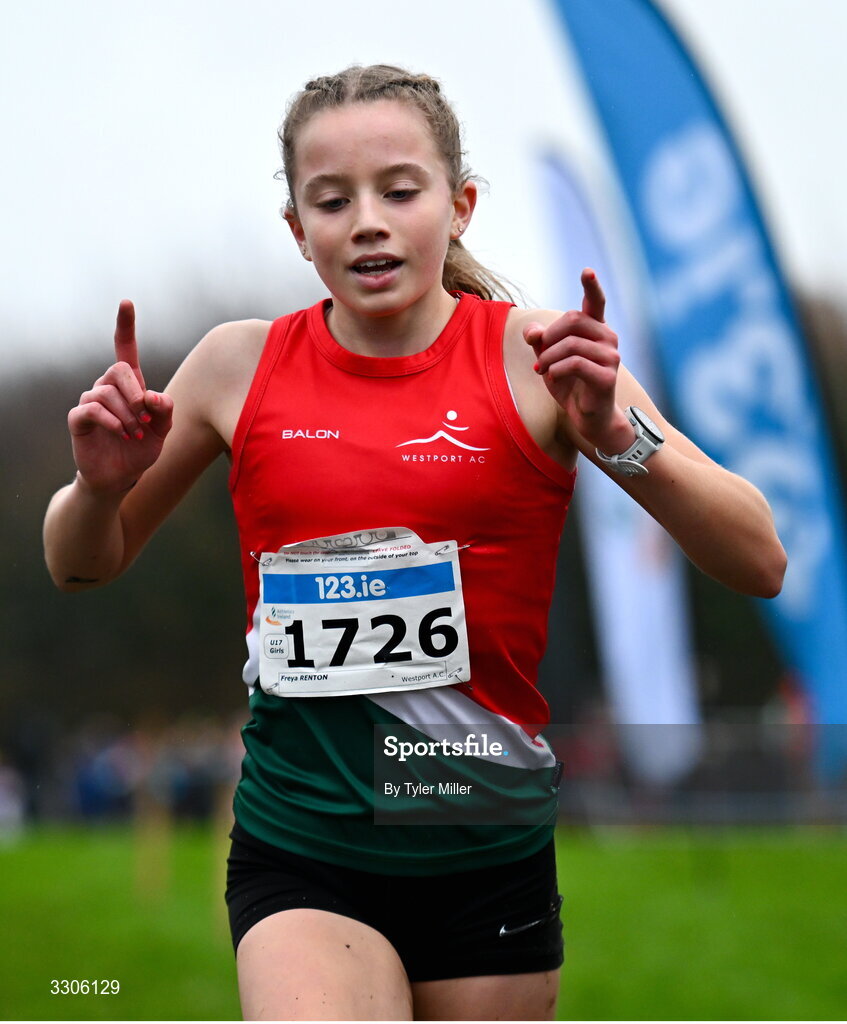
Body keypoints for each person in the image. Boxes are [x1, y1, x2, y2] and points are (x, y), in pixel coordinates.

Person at [43, 64, 786, 1021]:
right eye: (331, 199)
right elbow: (78, 562)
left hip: (486, 850)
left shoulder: (539, 360)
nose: (367, 220)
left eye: (400, 190)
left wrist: (617, 439)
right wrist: (96, 489)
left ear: (459, 204)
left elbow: (758, 558)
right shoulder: (237, 365)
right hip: (304, 848)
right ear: (297, 230)